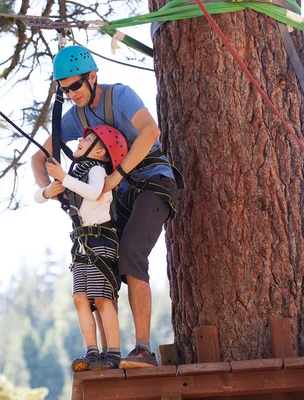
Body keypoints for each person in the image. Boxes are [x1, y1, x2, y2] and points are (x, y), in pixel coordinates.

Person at [31, 45, 181, 368]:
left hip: (153, 179)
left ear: (92, 76)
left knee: (130, 252)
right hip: (121, 193)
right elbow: (38, 157)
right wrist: (51, 189)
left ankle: (143, 349)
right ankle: (108, 353)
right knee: (102, 262)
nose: (71, 94)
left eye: (75, 85)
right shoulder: (76, 116)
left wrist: (116, 176)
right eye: (65, 89)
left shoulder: (120, 97)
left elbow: (150, 131)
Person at [35, 125, 127, 371]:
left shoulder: (96, 170)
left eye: (88, 139)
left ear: (100, 153)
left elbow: (95, 192)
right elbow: (38, 197)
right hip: (82, 244)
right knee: (79, 298)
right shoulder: (77, 176)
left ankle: (114, 354)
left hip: (100, 241)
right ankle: (92, 352)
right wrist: (50, 190)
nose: (80, 139)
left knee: (101, 297)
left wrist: (64, 178)